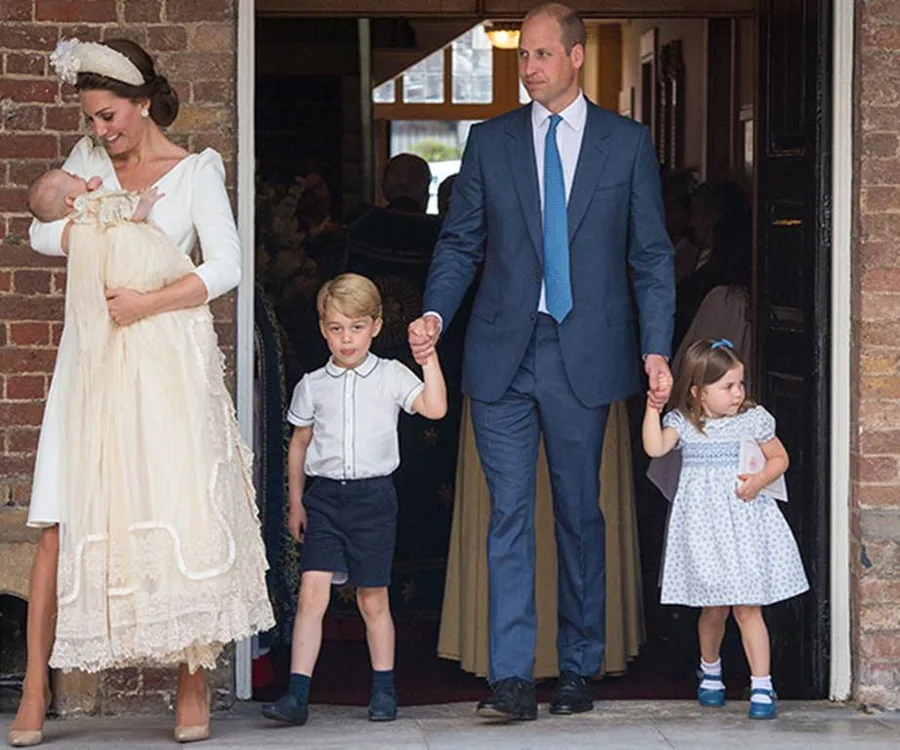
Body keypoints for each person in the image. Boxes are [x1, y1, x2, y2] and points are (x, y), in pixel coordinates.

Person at [408, 3, 675, 721]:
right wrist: (436, 312)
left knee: (580, 516)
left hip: (586, 354)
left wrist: (656, 346)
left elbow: (649, 255)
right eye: (522, 56)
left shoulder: (625, 143)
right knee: (509, 517)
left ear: (577, 57)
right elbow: (461, 243)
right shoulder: (489, 142)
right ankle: (513, 679)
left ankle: (580, 666)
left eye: (541, 55)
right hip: (501, 353)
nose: (528, 68)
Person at [10, 38, 274, 747]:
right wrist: (99, 220)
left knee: (182, 507)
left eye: (109, 117)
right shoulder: (89, 165)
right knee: (58, 521)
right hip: (91, 364)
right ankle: (36, 687)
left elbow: (224, 267)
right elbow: (40, 231)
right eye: (92, 120)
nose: (100, 133)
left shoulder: (194, 173)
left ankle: (193, 682)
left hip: (161, 359)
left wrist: (146, 302)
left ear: (144, 102)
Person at [261, 273, 447, 727]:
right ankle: (297, 694)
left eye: (357, 327)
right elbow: (299, 445)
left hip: (373, 499)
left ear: (376, 326)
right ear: (323, 329)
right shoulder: (312, 385)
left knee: (372, 599)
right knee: (312, 594)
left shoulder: (390, 376)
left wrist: (429, 358)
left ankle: (384, 688)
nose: (347, 339)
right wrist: (297, 502)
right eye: (337, 328)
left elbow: (436, 408)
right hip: (325, 498)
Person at [641, 339, 809, 720]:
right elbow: (654, 448)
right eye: (727, 387)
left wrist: (758, 480)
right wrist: (653, 410)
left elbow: (780, 457)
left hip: (744, 524)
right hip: (705, 529)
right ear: (698, 392)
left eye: (740, 384)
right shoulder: (683, 423)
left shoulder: (752, 420)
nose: (738, 393)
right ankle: (711, 671)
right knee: (713, 607)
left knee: (748, 606)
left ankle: (762, 684)